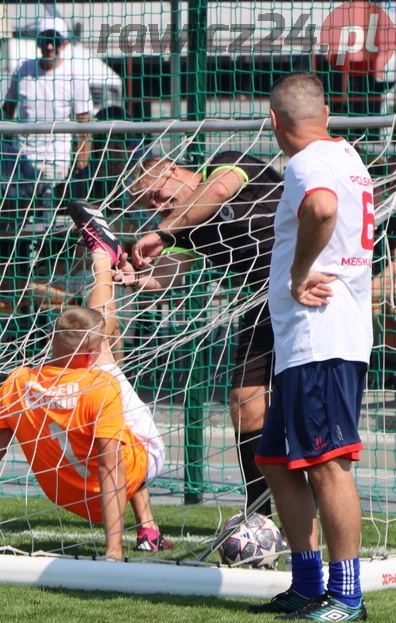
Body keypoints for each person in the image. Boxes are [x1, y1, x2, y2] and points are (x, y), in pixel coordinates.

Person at [0, 225, 169, 558]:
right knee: (106, 341)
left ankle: (148, 526)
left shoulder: (16, 382)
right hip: (123, 481)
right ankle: (102, 258)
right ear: (87, 354)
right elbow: (110, 469)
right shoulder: (101, 384)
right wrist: (113, 552)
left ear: (50, 341)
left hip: (66, 495)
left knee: (103, 345)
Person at [247, 72, 371, 622]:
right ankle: (305, 582)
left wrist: (299, 273)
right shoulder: (347, 155)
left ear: (274, 121)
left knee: (326, 465)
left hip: (321, 334)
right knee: (275, 458)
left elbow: (320, 209)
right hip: (312, 340)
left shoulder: (305, 165)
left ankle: (347, 596)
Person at [118, 148, 284, 518]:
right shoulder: (182, 226)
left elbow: (218, 192)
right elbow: (166, 275)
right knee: (244, 402)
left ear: (174, 169)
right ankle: (259, 515)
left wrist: (163, 230)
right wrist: (134, 278)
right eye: (150, 205)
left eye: (157, 195)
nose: (158, 205)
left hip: (310, 294)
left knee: (306, 416)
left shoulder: (228, 162)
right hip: (262, 309)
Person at [2, 17, 91, 206]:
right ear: (38, 42)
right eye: (45, 41)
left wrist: (82, 162)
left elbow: (84, 122)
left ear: (64, 44)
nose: (49, 47)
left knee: (43, 191)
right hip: (21, 156)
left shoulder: (75, 75)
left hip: (55, 158)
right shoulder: (23, 69)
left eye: (55, 41)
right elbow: (7, 110)